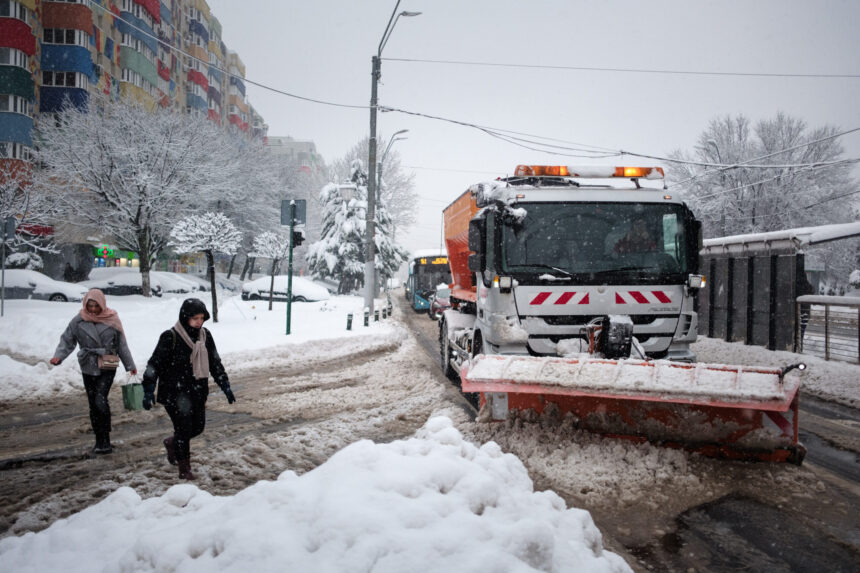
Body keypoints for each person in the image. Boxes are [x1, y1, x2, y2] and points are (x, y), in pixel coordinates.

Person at [142, 298, 235, 480]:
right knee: (183, 429)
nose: (199, 322)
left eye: (202, 318)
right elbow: (155, 364)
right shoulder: (170, 337)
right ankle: (184, 469)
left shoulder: (205, 336)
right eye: (195, 318)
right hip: (174, 393)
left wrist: (225, 384)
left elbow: (215, 362)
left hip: (198, 391)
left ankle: (172, 443)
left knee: (198, 427)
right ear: (185, 317)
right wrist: (148, 387)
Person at [50, 289, 137, 454]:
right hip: (88, 364)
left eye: (96, 306)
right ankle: (99, 438)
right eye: (90, 306)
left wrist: (130, 365)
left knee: (100, 399)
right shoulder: (78, 320)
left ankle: (105, 439)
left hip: (107, 363)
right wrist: (58, 356)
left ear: (102, 304)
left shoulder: (112, 319)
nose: (93, 310)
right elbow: (67, 340)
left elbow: (122, 345)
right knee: (93, 402)